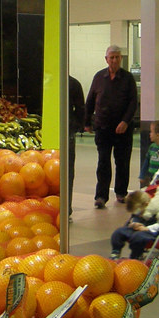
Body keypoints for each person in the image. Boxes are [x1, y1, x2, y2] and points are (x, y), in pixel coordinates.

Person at [85, 44, 138, 208]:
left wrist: (125, 121)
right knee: (103, 163)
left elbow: (133, 103)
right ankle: (101, 196)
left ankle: (121, 193)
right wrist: (87, 121)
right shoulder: (99, 77)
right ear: (106, 59)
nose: (114, 60)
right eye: (111, 57)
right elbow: (90, 100)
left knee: (122, 162)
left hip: (123, 129)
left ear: (121, 58)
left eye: (117, 57)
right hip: (103, 128)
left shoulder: (128, 78)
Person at [109, 190, 159, 260]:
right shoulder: (138, 212)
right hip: (136, 229)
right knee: (118, 232)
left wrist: (147, 228)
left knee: (138, 237)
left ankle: (136, 255)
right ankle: (115, 251)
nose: (137, 214)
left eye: (138, 212)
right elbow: (134, 218)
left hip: (150, 232)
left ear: (146, 205)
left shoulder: (156, 211)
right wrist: (133, 224)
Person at [67, 75, 86, 216]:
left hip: (60, 132)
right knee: (68, 171)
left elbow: (80, 109)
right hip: (68, 132)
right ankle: (66, 208)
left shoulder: (72, 84)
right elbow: (80, 109)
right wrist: (76, 126)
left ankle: (64, 207)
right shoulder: (74, 83)